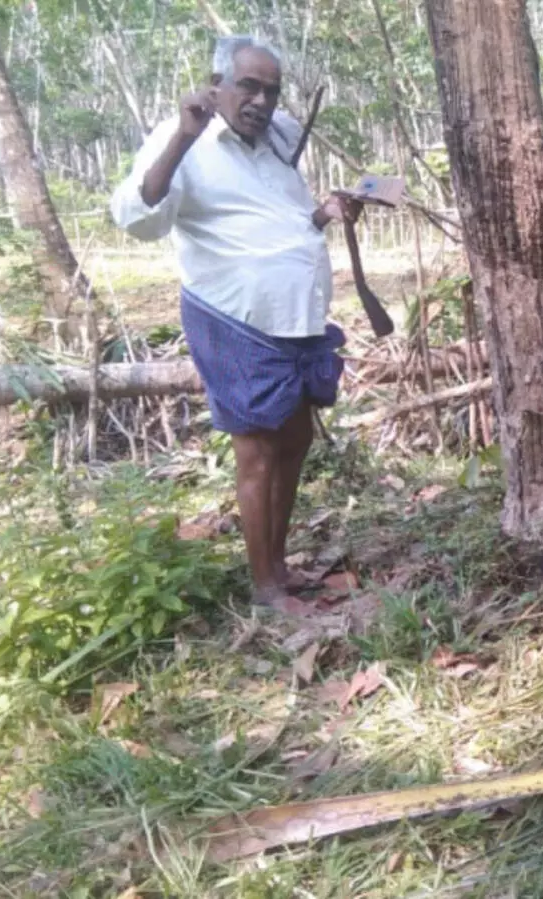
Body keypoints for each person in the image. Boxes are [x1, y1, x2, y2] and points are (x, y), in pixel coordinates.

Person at [110, 35, 361, 609]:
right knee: (258, 450)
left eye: (271, 90)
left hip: (295, 319)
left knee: (295, 439)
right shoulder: (185, 140)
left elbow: (281, 221)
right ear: (216, 84)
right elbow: (138, 217)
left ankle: (279, 565)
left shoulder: (276, 141)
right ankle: (264, 585)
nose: (261, 100)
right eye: (249, 86)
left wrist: (323, 214)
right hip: (236, 322)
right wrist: (183, 136)